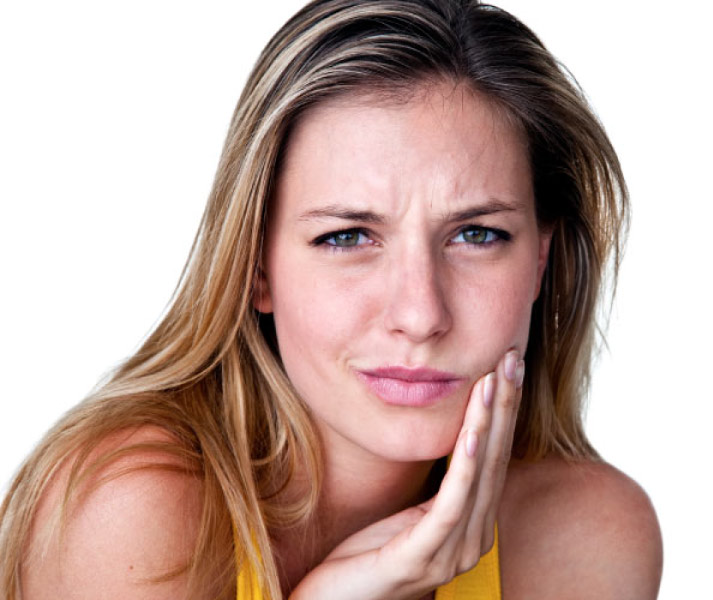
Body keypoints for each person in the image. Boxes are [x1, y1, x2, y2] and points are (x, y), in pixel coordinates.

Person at [0, 0, 662, 598]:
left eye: (476, 234)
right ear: (256, 265)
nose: (420, 314)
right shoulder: (131, 510)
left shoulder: (582, 536)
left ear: (540, 258)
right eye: (347, 237)